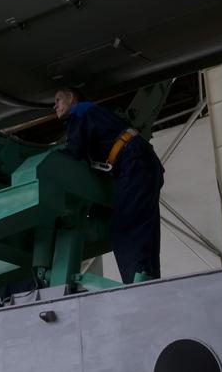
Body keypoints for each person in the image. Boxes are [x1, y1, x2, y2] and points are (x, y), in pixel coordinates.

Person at [53, 87, 164, 284]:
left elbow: (73, 150)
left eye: (59, 100)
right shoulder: (96, 117)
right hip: (142, 161)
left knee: (123, 227)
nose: (55, 106)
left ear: (72, 98)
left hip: (133, 161)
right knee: (146, 223)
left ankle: (138, 281)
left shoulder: (81, 111)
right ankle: (148, 277)